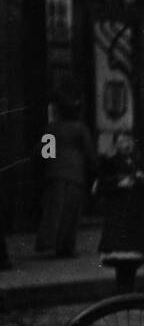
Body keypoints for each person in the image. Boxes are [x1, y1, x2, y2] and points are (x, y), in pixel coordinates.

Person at [35, 95, 96, 258]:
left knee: (54, 210)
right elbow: (89, 152)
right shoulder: (80, 128)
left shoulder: (52, 128)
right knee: (71, 212)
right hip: (75, 174)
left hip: (55, 173)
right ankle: (65, 246)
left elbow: (42, 152)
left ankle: (49, 243)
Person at [95, 132, 144, 293]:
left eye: (128, 141)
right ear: (116, 145)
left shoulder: (139, 163)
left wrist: (143, 180)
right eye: (121, 142)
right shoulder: (110, 163)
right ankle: (122, 289)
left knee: (133, 258)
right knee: (120, 259)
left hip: (135, 217)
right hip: (118, 216)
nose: (126, 145)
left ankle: (129, 288)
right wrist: (119, 184)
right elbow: (101, 187)